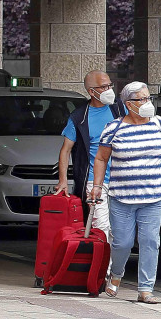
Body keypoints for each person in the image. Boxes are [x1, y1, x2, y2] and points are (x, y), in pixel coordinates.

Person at [91, 81, 161, 303]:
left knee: (150, 242)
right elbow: (101, 158)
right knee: (122, 243)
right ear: (129, 104)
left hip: (153, 196)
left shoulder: (159, 124)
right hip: (121, 197)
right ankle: (116, 275)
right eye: (142, 99)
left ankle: (146, 289)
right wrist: (97, 186)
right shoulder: (114, 128)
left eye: (148, 98)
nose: (147, 103)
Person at [56, 71, 123, 252]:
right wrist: (63, 181)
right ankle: (103, 274)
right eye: (104, 87)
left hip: (123, 180)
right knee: (101, 228)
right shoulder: (79, 117)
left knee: (120, 231)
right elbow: (65, 150)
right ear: (92, 92)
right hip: (95, 182)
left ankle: (113, 274)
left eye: (110, 85)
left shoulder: (120, 109)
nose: (109, 89)